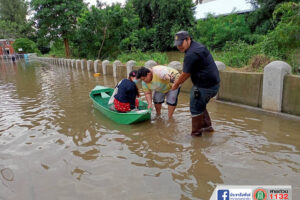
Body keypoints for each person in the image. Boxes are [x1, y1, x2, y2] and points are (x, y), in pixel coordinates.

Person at [171, 31, 220, 137]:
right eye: (177, 44)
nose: (179, 47)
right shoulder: (197, 46)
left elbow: (185, 74)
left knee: (195, 107)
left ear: (188, 39)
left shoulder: (191, 53)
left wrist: (175, 85)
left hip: (205, 87)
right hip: (213, 84)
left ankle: (196, 136)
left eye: (181, 43)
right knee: (200, 104)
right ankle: (208, 128)